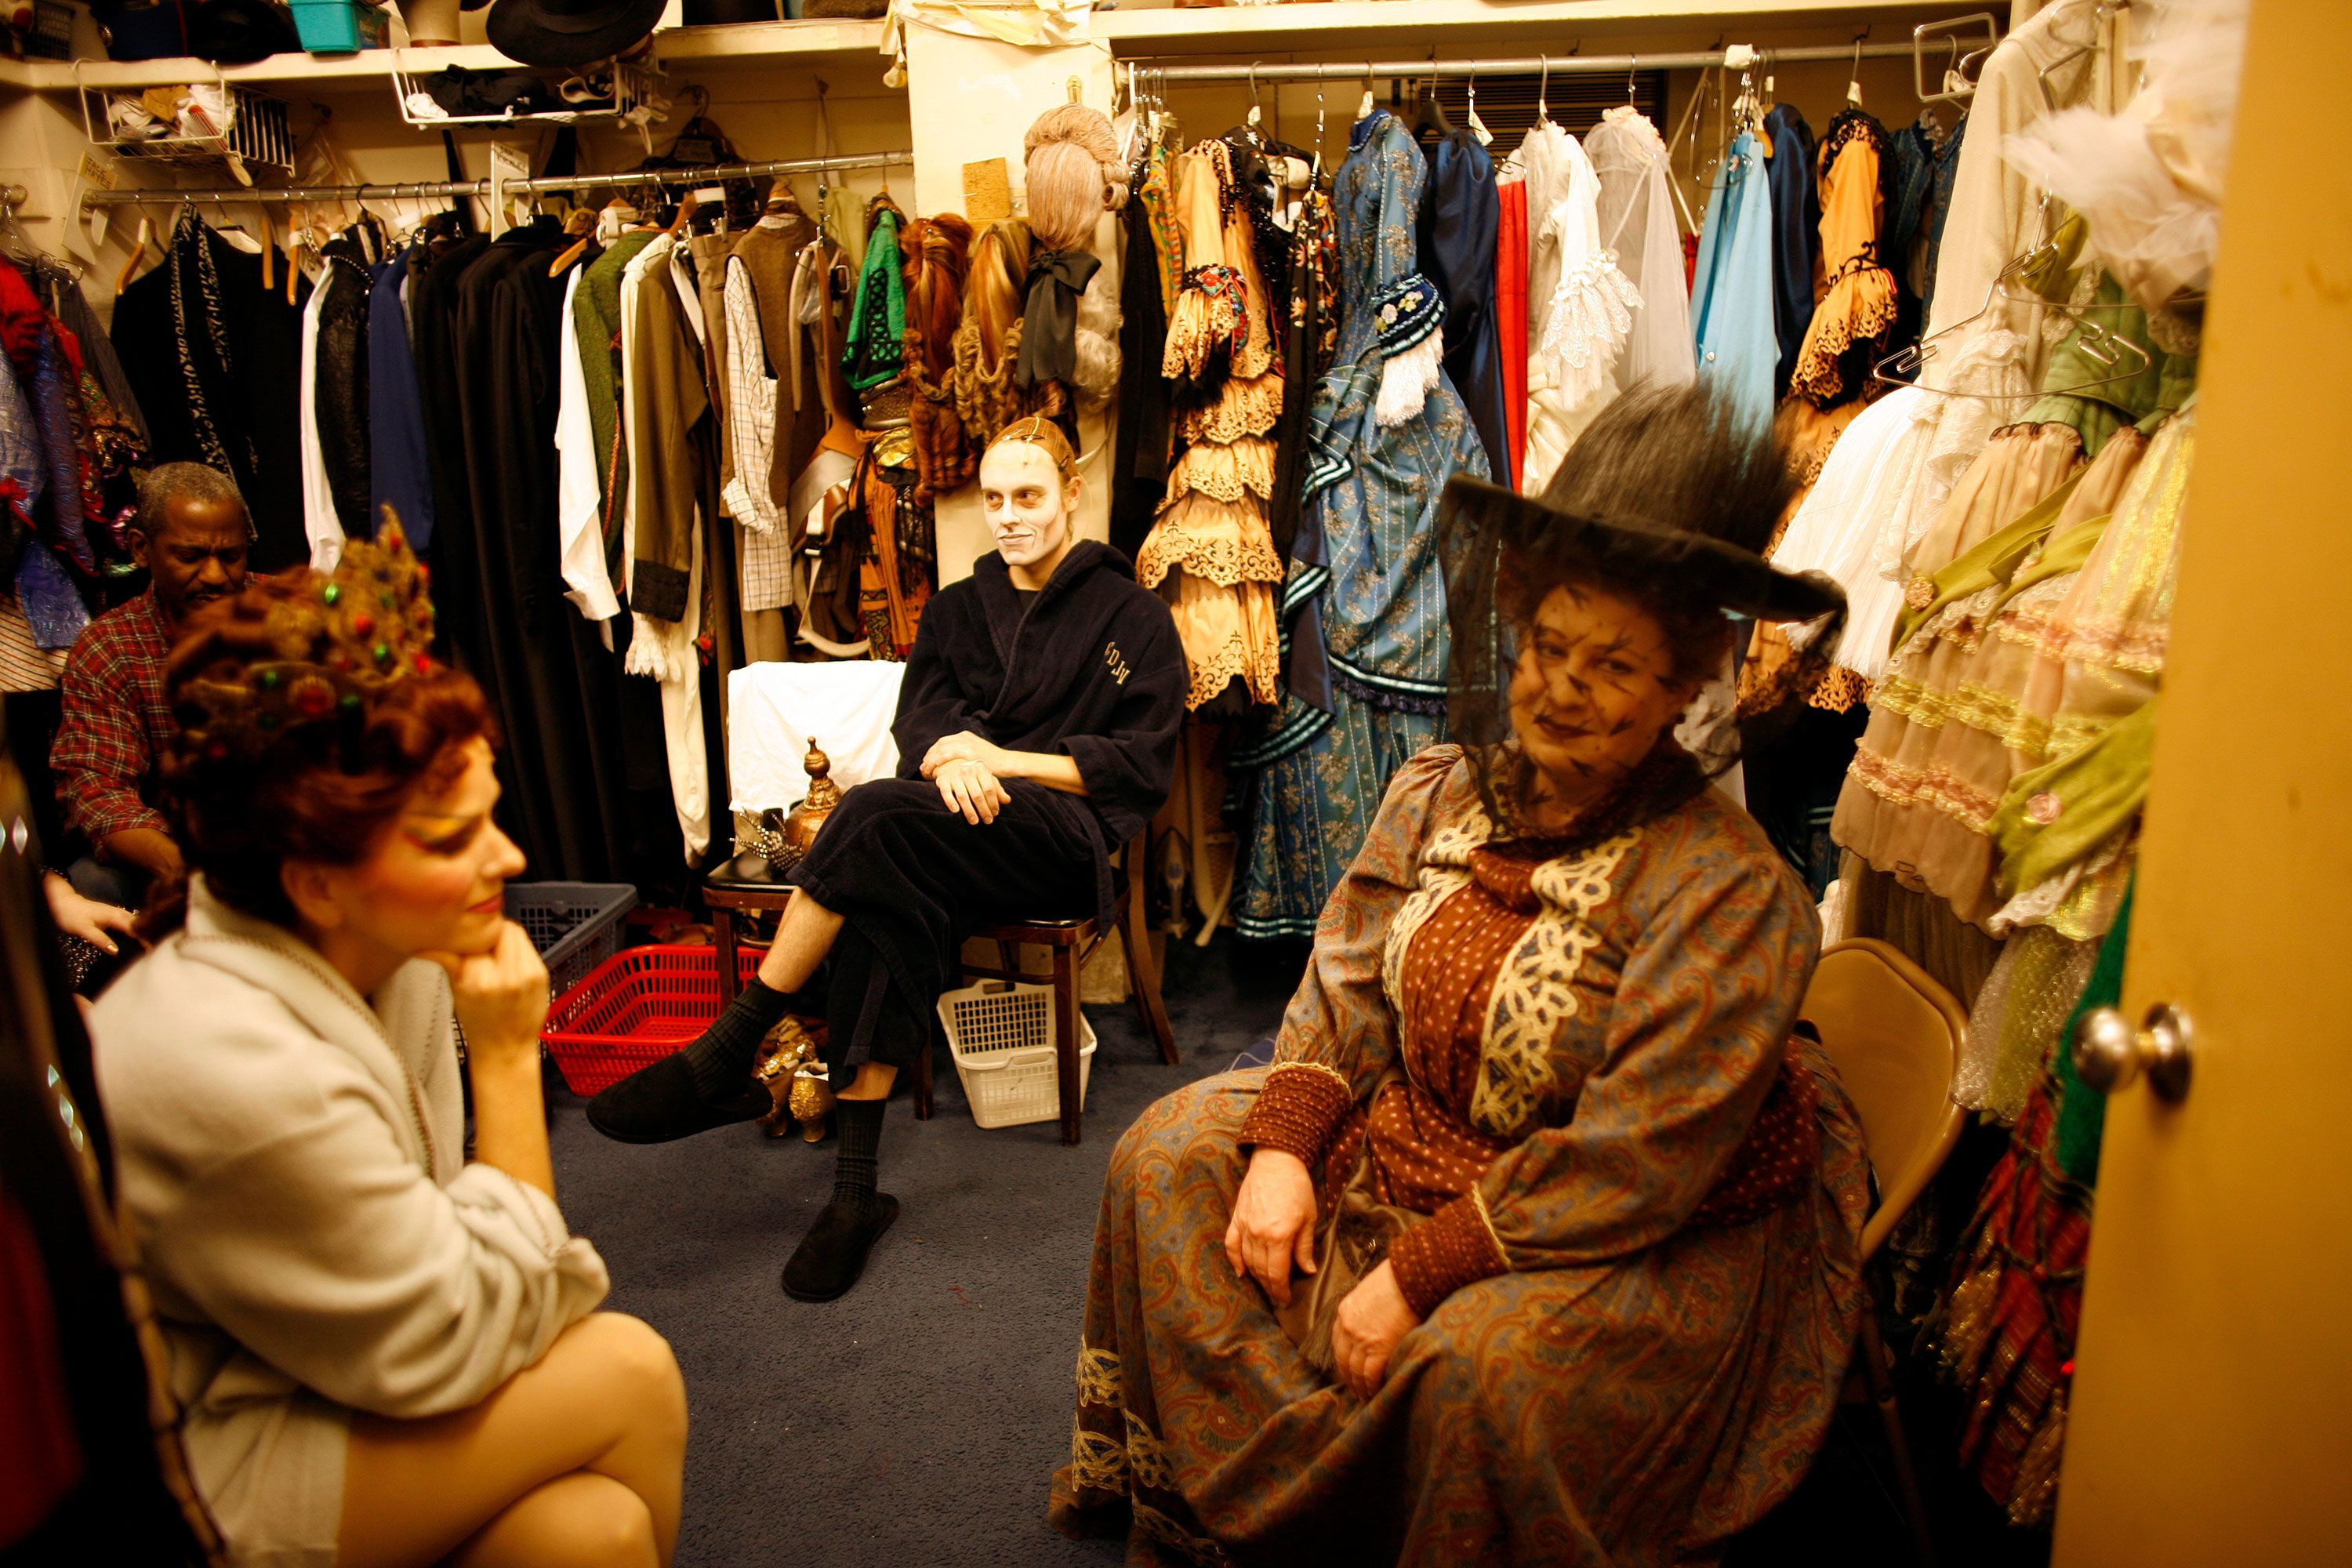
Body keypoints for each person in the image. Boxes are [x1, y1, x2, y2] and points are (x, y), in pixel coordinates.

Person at [1050, 384, 1871, 1566]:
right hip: (1416, 1136)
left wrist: (1426, 1269)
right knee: (1165, 1159)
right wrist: (1284, 1144)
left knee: (1474, 1366)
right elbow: (1344, 982)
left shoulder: (1730, 894)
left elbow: (1633, 1166)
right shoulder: (1443, 786)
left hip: (1617, 1231)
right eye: (1548, 643)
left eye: (1615, 664)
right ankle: (1236, 1527)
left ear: (1687, 687)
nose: (1560, 688)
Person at [92, 523, 688, 1568]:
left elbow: (446, 1244)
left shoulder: (388, 958)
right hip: (205, 1469)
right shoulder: (228, 1059)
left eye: (487, 816)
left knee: (593, 1535)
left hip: (319, 1369)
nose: (508, 857)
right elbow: (460, 1335)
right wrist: (506, 1056)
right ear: (315, 879)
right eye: (453, 840)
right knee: (628, 1372)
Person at [589, 416, 1187, 1302]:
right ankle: (854, 1193)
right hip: (953, 823)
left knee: (868, 814)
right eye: (994, 498)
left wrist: (998, 757)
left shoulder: (1130, 615)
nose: (1010, 515)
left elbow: (1140, 762)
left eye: (1029, 495)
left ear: (1069, 493)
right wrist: (950, 755)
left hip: (1059, 838)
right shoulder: (955, 609)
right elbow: (922, 726)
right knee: (881, 894)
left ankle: (733, 1045)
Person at [52, 462, 252, 908]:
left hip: (298, 839)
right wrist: (191, 872)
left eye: (232, 556)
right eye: (191, 557)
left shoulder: (289, 616)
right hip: (183, 848)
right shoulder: (110, 648)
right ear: (141, 549)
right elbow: (98, 791)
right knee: (94, 883)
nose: (217, 576)